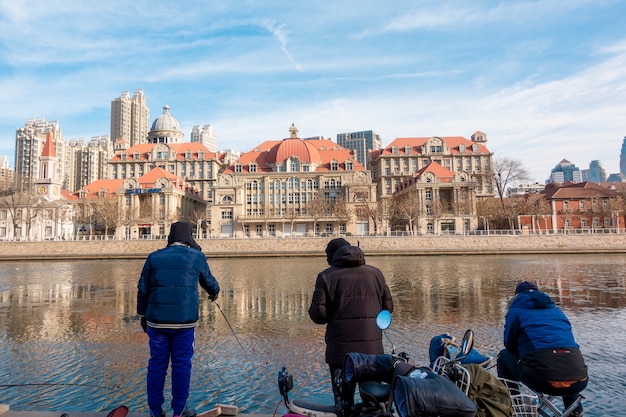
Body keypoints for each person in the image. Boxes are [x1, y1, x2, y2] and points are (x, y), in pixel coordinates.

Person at [137, 222, 220, 417]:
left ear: (170, 237)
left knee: (157, 364)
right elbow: (209, 282)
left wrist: (142, 315)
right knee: (182, 365)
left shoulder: (154, 257)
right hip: (184, 323)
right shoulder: (197, 257)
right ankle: (179, 411)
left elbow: (142, 289)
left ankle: (155, 411)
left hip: (156, 322)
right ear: (189, 238)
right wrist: (214, 293)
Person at [308, 238, 394, 417]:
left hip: (341, 353)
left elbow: (317, 315)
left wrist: (337, 313)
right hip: (372, 353)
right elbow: (388, 309)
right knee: (374, 404)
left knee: (344, 405)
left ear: (332, 256)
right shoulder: (376, 274)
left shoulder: (326, 276)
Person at [497, 281, 587, 417]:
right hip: (579, 380)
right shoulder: (557, 312)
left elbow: (509, 345)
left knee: (503, 357)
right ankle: (575, 411)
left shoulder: (515, 312)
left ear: (516, 296)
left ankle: (512, 407)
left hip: (541, 379)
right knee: (566, 361)